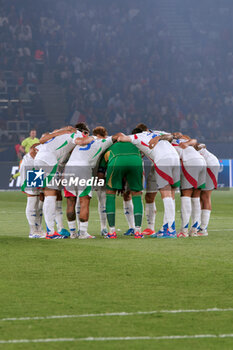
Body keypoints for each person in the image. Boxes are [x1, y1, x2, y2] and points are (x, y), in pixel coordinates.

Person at [118, 128, 180, 238]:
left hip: (162, 159)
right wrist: (159, 137)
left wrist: (117, 136)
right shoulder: (159, 132)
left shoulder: (137, 137)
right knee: (171, 193)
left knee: (165, 192)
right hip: (175, 157)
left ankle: (171, 229)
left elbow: (121, 138)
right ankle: (166, 227)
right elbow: (173, 136)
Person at [64, 126, 121, 239]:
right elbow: (116, 136)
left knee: (70, 201)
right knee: (84, 200)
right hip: (83, 169)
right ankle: (83, 233)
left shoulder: (83, 139)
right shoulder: (102, 141)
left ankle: (72, 233)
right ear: (103, 135)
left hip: (68, 168)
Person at [34, 124, 87, 239]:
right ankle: (51, 232)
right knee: (51, 196)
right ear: (84, 132)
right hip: (49, 161)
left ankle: (37, 230)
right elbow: (79, 143)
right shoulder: (76, 134)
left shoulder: (60, 132)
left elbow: (40, 141)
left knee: (38, 196)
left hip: (37, 160)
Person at [98, 135, 144, 239]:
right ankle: (138, 231)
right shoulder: (135, 146)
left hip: (116, 161)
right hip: (136, 161)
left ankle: (112, 232)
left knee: (110, 194)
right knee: (137, 195)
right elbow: (141, 155)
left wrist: (101, 184)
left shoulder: (110, 148)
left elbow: (101, 170)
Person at [171, 134, 206, 238]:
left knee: (185, 195)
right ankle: (194, 230)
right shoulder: (184, 141)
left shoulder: (170, 144)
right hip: (202, 161)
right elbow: (194, 140)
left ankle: (184, 230)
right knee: (196, 196)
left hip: (191, 162)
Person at [196, 143, 220, 236]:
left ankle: (203, 229)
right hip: (203, 164)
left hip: (210, 164)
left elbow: (202, 145)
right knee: (199, 196)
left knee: (205, 196)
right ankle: (198, 226)